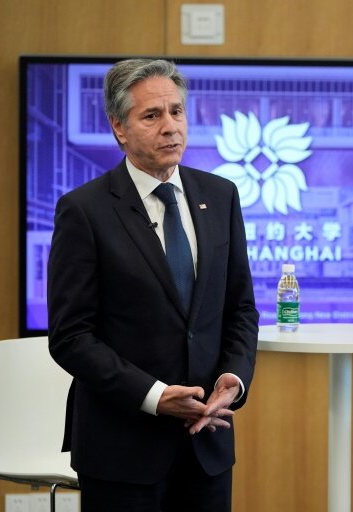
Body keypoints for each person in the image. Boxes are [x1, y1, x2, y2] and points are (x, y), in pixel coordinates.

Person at [48, 59, 259, 511]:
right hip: (121, 448)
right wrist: (154, 397)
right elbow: (70, 338)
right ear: (119, 128)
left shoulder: (221, 196)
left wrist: (234, 378)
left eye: (177, 112)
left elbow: (240, 307)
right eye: (152, 116)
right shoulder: (84, 211)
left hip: (207, 445)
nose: (171, 127)